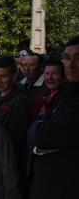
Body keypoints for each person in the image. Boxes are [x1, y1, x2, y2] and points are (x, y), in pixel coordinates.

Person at [29, 36, 79, 199]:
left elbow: (46, 135)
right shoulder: (64, 95)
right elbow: (33, 133)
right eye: (67, 58)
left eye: (78, 58)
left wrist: (40, 135)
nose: (71, 64)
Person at [0, 55, 29, 196]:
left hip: (7, 168)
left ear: (14, 76)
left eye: (3, 77)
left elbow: (16, 140)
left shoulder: (20, 101)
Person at [18, 53, 45, 121]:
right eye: (25, 65)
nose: (27, 68)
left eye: (32, 65)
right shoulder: (18, 85)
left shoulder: (47, 86)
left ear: (41, 67)